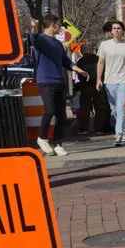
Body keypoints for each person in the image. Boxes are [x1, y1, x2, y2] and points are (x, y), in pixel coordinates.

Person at [32, 18, 87, 157]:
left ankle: (58, 144)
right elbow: (34, 38)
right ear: (52, 25)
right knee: (49, 110)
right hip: (46, 82)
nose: (60, 28)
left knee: (61, 116)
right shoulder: (42, 40)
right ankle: (42, 138)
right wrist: (34, 27)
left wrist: (79, 70)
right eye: (58, 25)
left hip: (59, 82)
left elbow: (66, 61)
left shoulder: (58, 43)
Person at [97, 20, 125, 146]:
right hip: (109, 81)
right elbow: (101, 63)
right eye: (114, 28)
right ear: (111, 31)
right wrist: (99, 79)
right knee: (115, 111)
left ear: (123, 31)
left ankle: (118, 134)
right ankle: (124, 130)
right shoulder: (104, 45)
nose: (116, 30)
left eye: (119, 28)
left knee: (121, 108)